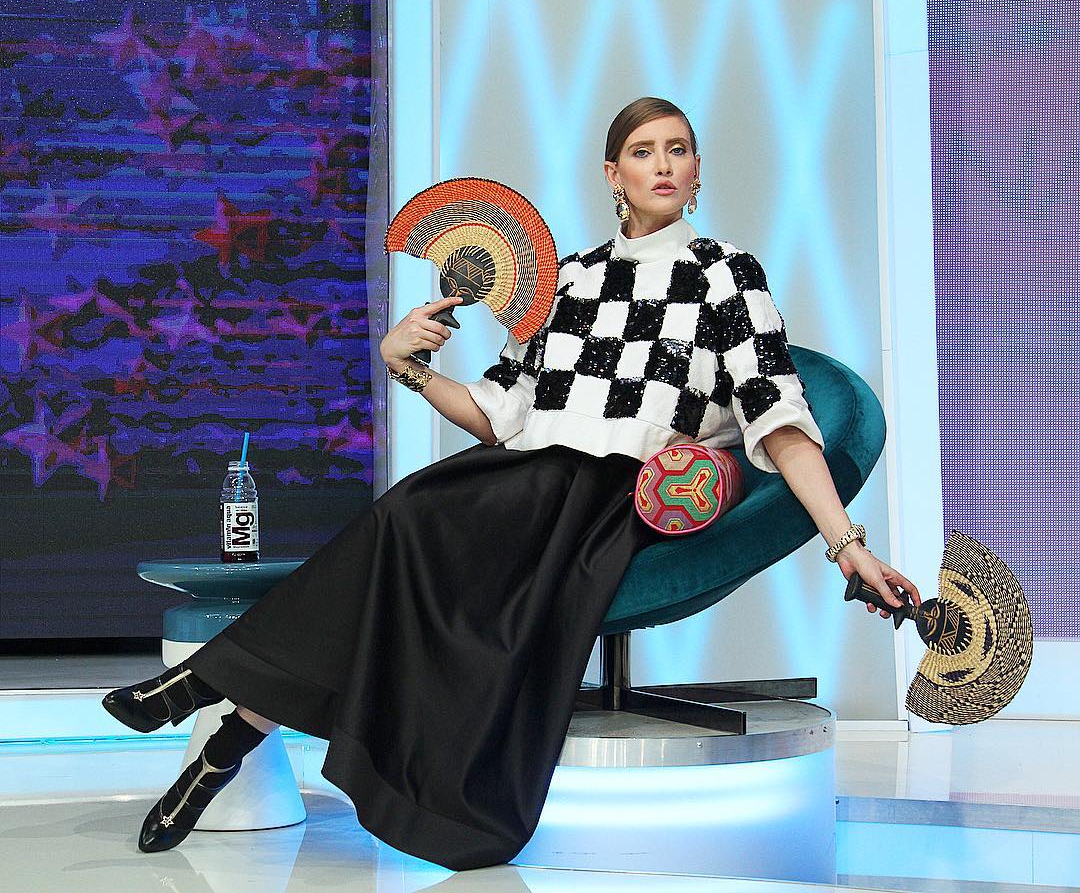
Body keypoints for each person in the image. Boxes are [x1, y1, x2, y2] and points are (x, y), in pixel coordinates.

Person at [101, 96, 921, 871]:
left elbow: (777, 416)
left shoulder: (726, 273)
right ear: (613, 173)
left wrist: (847, 544)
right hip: (526, 475)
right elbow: (501, 413)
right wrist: (405, 365)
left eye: (679, 150)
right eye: (644, 152)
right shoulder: (568, 279)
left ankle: (210, 702)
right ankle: (220, 739)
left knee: (407, 519)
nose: (664, 165)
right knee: (402, 528)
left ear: (698, 169)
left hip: (610, 495)